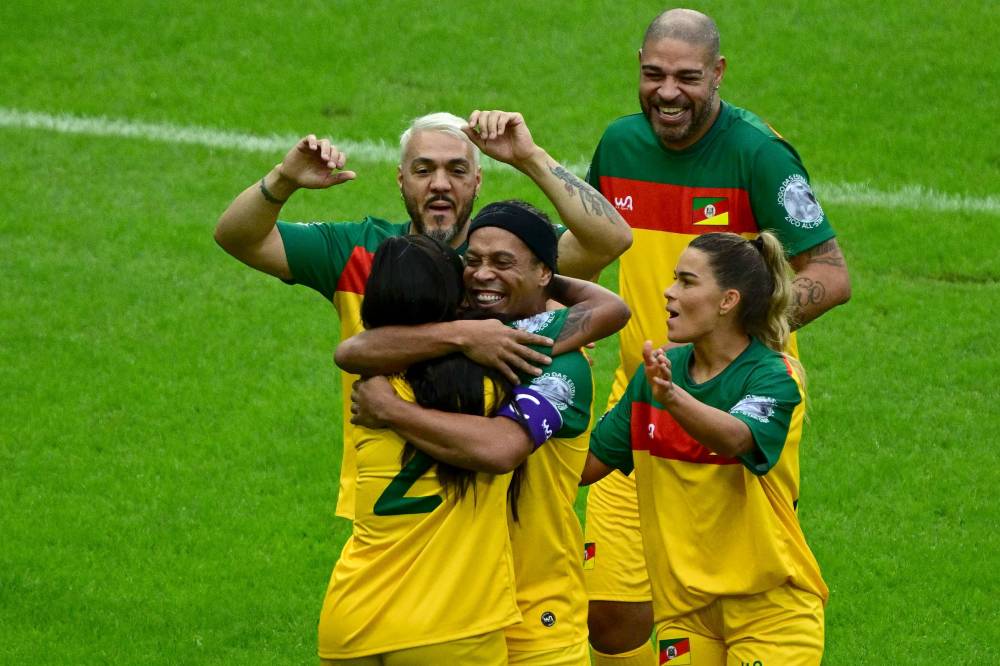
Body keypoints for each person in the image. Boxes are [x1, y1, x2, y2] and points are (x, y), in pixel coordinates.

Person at [582, 9, 850, 664]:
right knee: (610, 618)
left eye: (686, 77)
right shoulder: (618, 147)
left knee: (735, 579)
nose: (667, 92)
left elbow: (832, 275)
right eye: (652, 74)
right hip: (640, 396)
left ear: (718, 73)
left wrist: (743, 332)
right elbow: (585, 252)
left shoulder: (758, 154)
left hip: (741, 395)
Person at [214, 110, 632, 523]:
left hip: (490, 509)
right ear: (401, 179)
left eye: (456, 170)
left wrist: (529, 157)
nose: (439, 184)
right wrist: (283, 179)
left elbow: (611, 238)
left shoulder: (510, 262)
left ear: (477, 180)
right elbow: (237, 237)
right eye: (423, 170)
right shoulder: (358, 250)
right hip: (388, 495)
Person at [345, 201, 629, 666]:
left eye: (502, 262)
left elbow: (501, 448)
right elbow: (352, 349)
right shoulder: (456, 336)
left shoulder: (554, 357)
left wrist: (392, 410)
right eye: (471, 261)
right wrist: (462, 333)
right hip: (455, 606)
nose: (480, 275)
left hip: (537, 615)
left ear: (543, 272)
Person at [582, 231, 828, 666]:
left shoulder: (774, 375)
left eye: (686, 282)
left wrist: (672, 397)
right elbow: (585, 466)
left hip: (770, 613)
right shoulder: (656, 374)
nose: (668, 291)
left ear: (728, 301)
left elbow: (736, 438)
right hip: (685, 611)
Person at [317, 234, 521, 665]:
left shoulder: (369, 391)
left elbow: (356, 349)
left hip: (351, 618)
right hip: (451, 623)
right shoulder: (493, 389)